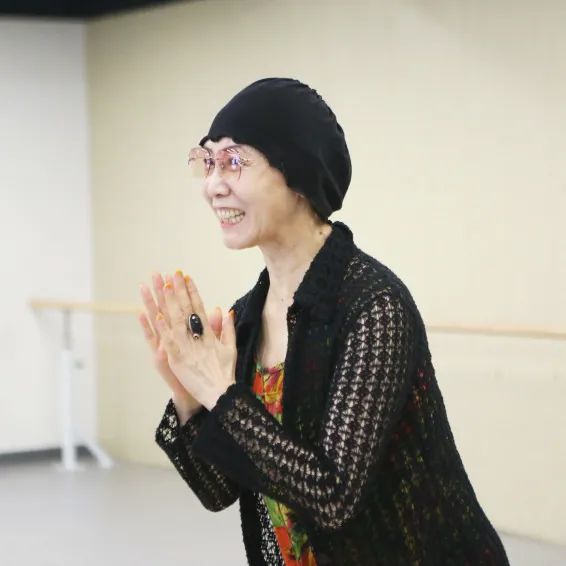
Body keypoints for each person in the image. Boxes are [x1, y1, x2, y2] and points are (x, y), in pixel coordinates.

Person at [138, 78, 510, 565]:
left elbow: (333, 496)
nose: (213, 185)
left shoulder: (373, 306)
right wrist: (189, 397)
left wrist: (219, 392)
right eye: (208, 162)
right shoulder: (246, 317)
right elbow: (220, 489)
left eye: (233, 161)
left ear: (297, 174)